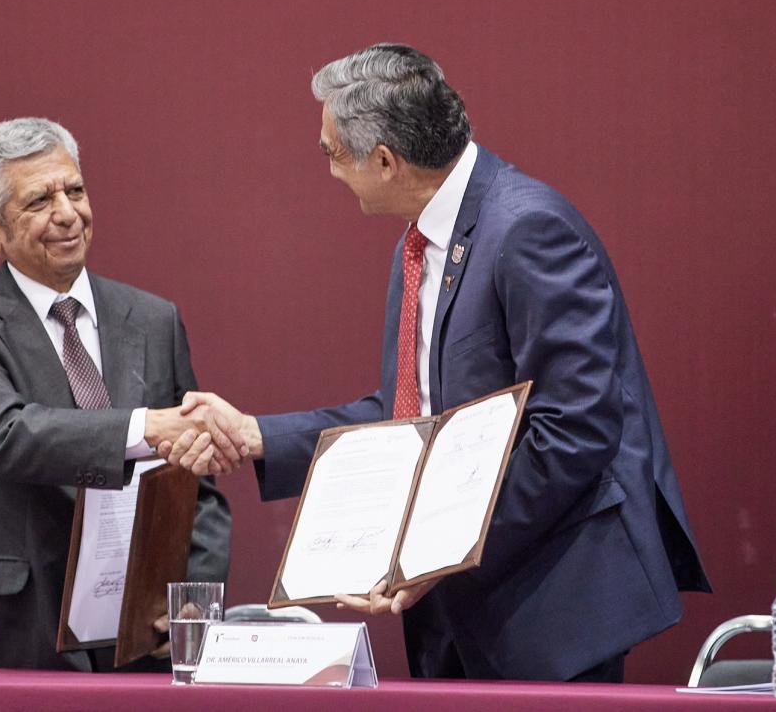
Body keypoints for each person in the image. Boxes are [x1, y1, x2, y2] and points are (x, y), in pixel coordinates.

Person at [169, 43, 711, 682]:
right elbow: (411, 416)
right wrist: (256, 436)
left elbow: (575, 431)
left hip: (549, 608)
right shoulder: (422, 240)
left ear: (384, 161)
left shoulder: (529, 229)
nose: (331, 173)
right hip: (458, 611)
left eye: (332, 154)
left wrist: (438, 553)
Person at [0, 117, 234, 671]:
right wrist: (143, 427)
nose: (67, 213)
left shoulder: (152, 319)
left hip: (138, 634)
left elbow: (194, 482)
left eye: (76, 190)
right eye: (39, 201)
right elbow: (4, 434)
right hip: (9, 632)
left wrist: (192, 598)